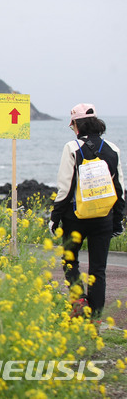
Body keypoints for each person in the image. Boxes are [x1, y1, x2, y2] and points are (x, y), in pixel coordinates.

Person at [49, 103, 125, 318]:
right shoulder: (113, 149)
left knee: (69, 259)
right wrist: (117, 220)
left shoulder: (72, 148)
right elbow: (119, 188)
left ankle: (79, 299)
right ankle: (96, 319)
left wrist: (54, 218)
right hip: (103, 217)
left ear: (76, 124)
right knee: (98, 271)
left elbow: (65, 187)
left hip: (76, 218)